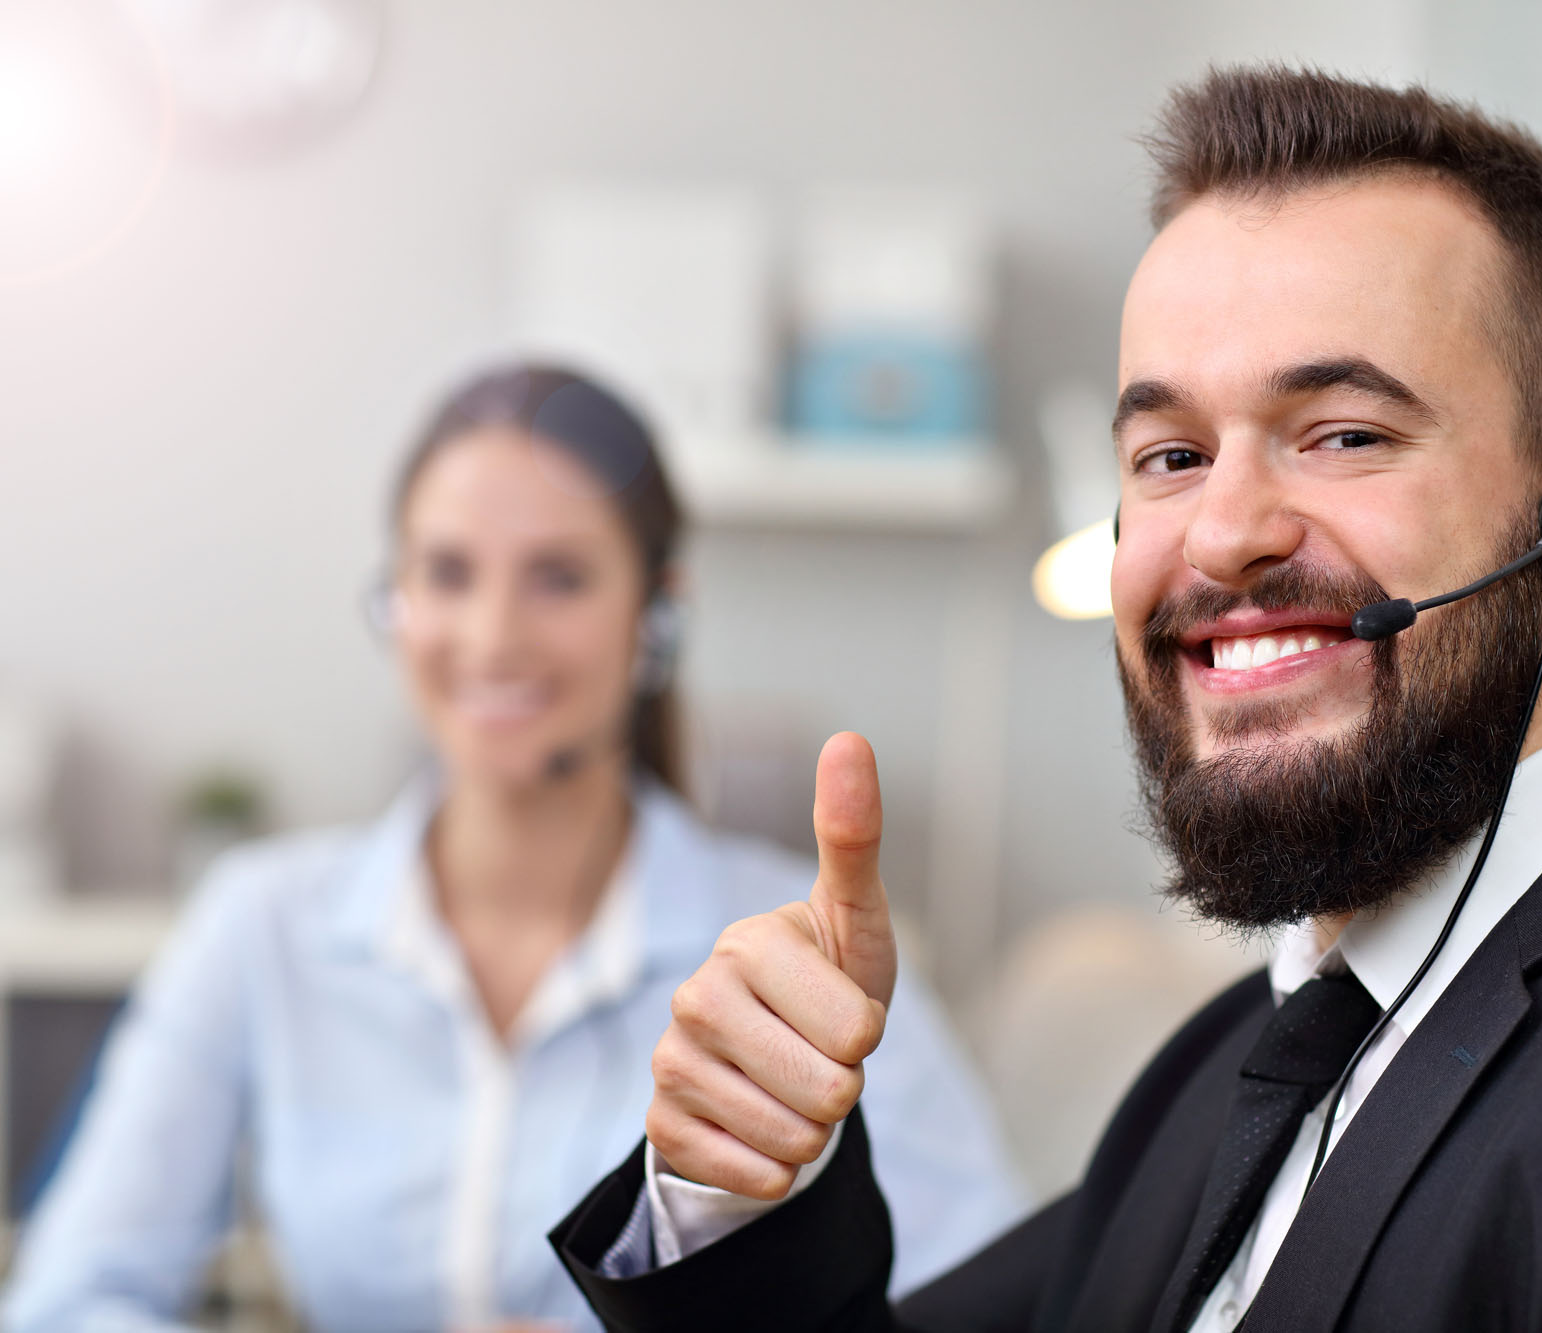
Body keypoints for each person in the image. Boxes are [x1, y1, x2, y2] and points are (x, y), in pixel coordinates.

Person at [547, 68, 1542, 1332]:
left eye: (1342, 433)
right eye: (1170, 457)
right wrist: (732, 1185)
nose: (1223, 534)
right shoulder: (1244, 1060)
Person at [2, 365, 1024, 1332]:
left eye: (558, 577)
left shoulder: (794, 954)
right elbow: (62, 1304)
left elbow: (996, 1301)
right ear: (395, 601)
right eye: (448, 572)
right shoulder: (262, 922)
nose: (493, 634)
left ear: (657, 615)